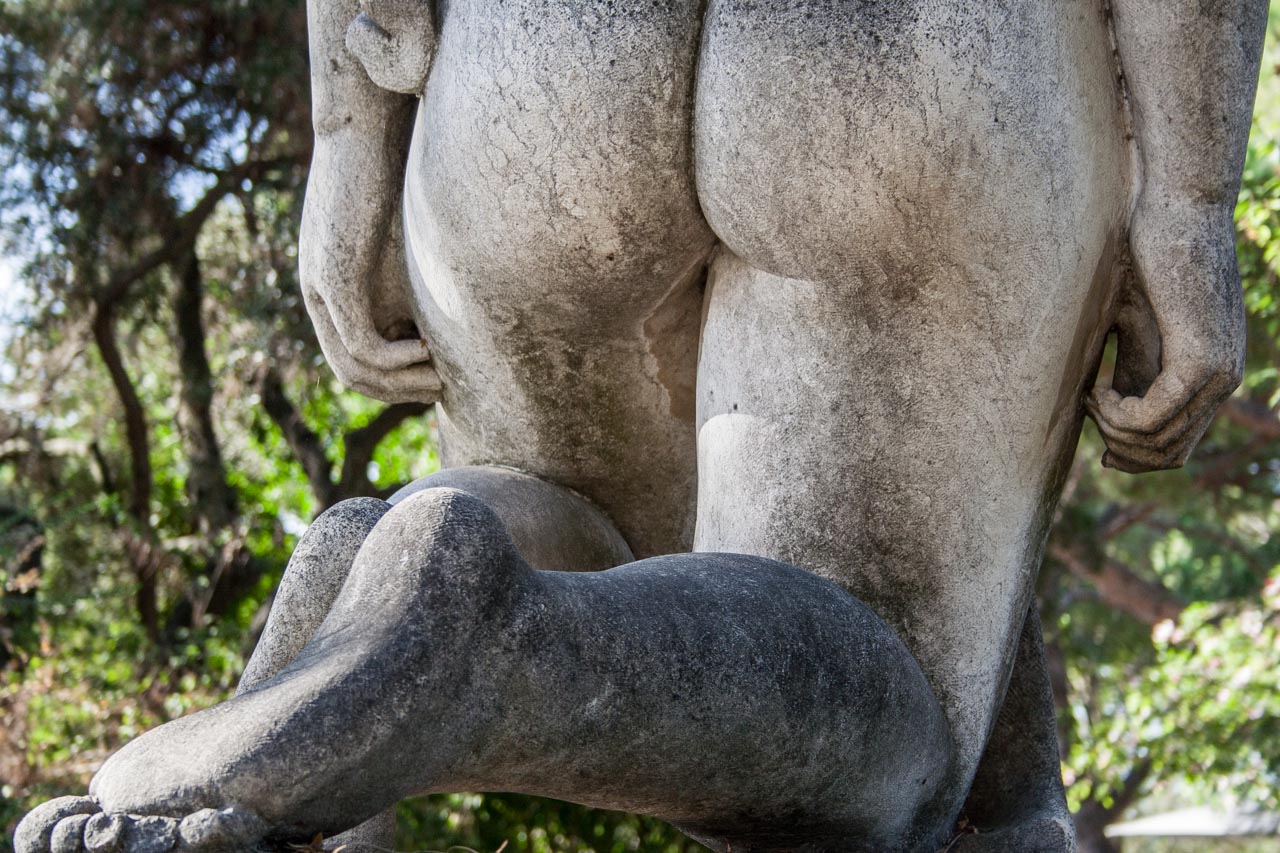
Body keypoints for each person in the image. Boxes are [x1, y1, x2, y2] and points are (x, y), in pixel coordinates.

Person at [16, 1, 1266, 850]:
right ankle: (472, 638)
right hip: (901, 61)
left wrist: (350, 126)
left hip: (533, 65)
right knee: (886, 704)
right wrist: (1193, 190)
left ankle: (368, 598)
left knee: (564, 526)